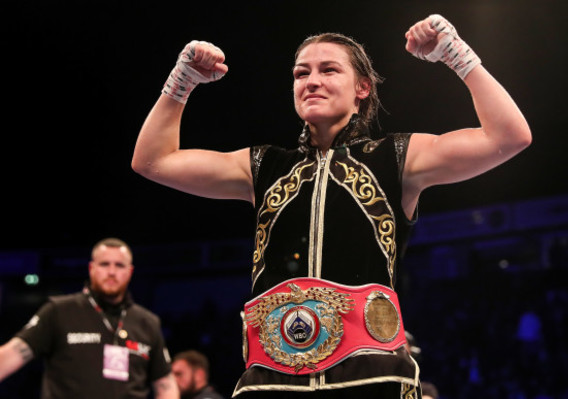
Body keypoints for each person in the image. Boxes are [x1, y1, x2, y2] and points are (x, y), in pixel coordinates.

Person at [132, 13, 531, 398]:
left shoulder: (397, 158)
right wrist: (180, 82)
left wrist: (455, 53)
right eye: (301, 73)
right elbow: (152, 162)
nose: (311, 81)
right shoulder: (261, 166)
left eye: (329, 70)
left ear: (363, 88)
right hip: (270, 383)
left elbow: (509, 135)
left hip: (371, 381)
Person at [0, 238, 179, 399]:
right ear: (91, 268)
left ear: (130, 271)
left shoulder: (147, 322)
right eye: (104, 264)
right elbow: (12, 353)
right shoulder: (59, 311)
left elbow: (166, 386)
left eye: (119, 265)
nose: (111, 271)